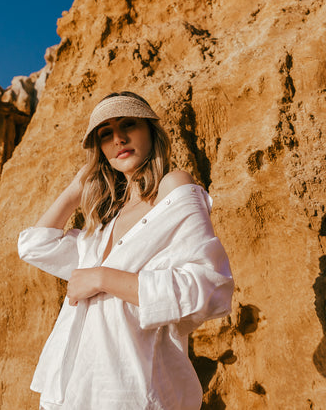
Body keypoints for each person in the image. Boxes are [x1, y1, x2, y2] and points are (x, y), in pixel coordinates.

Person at [18, 91, 234, 410]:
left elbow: (208, 286)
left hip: (132, 391)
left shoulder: (174, 188)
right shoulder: (106, 222)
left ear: (150, 131)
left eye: (128, 124)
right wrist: (78, 185)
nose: (118, 139)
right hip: (72, 391)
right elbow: (35, 246)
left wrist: (103, 278)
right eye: (106, 134)